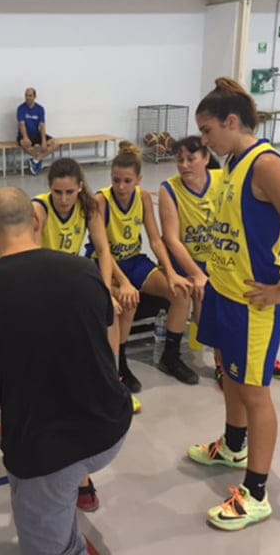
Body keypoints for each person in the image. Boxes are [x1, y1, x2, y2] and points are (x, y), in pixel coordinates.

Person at [0, 187, 131, 555]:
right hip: (111, 427)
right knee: (65, 488)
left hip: (44, 449)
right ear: (37, 222)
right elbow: (109, 335)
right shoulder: (84, 271)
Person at [188, 78, 280, 531]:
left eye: (207, 131)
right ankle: (232, 446)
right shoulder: (234, 162)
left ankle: (256, 493)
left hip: (253, 304)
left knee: (255, 393)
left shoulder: (265, 165)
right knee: (231, 377)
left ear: (231, 122)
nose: (204, 142)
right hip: (225, 291)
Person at [32, 157, 136, 513]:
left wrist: (103, 290)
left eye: (69, 192)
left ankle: (112, 380)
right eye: (58, 192)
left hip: (76, 281)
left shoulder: (89, 207)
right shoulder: (39, 209)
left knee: (109, 316)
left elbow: (103, 250)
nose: (63, 199)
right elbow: (32, 257)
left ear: (79, 187)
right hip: (45, 283)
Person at [158, 136, 280, 387]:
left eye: (191, 159)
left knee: (251, 288)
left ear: (205, 158)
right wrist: (196, 273)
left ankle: (259, 355)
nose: (184, 165)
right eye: (180, 160)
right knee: (207, 291)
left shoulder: (223, 178)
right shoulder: (169, 189)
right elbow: (172, 240)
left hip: (222, 257)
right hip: (189, 260)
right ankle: (220, 360)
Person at [93, 142, 197, 387]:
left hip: (134, 260)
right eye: (116, 180)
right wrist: (124, 283)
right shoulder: (101, 201)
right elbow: (104, 251)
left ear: (138, 180)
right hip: (107, 264)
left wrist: (171, 272)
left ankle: (170, 357)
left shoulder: (143, 198)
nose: (121, 186)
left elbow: (155, 239)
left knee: (181, 292)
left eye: (127, 181)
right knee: (128, 301)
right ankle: (120, 364)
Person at [17, 87, 58, 175]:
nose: (28, 98)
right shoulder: (21, 108)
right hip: (25, 134)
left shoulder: (40, 109)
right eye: (26, 95)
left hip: (36, 134)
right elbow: (22, 124)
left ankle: (36, 160)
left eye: (30, 96)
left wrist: (43, 141)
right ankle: (37, 161)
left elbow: (42, 125)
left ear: (35, 96)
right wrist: (25, 138)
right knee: (24, 143)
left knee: (55, 143)